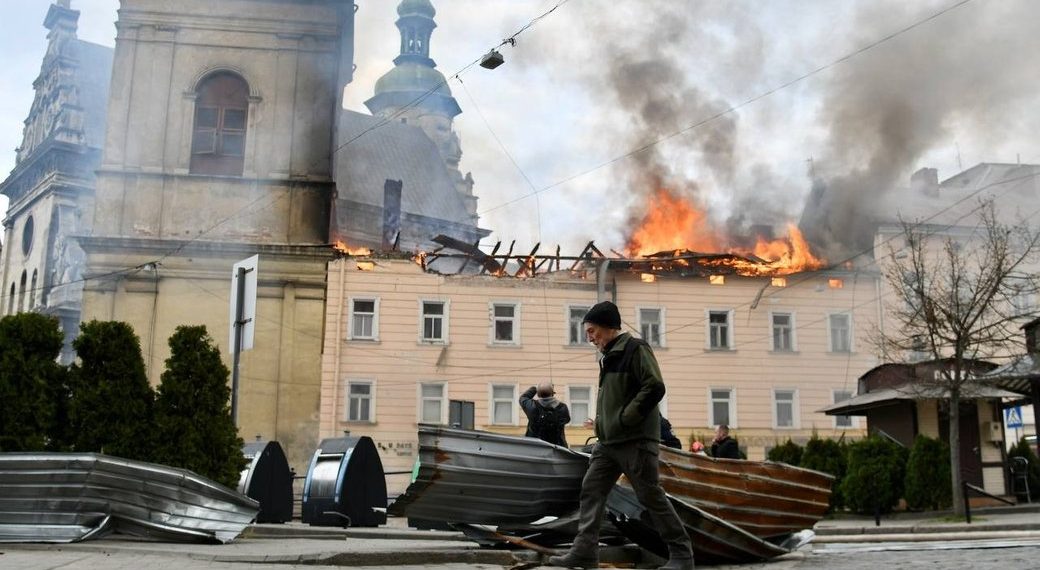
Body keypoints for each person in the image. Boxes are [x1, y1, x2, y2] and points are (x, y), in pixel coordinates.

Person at [548, 301, 694, 570]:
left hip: (635, 441)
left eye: (592, 331)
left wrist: (625, 419)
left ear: (608, 327)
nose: (589, 337)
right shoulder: (609, 356)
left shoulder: (635, 348)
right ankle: (585, 552)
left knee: (650, 496)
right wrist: (605, 425)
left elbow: (654, 386)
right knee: (591, 490)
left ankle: (682, 555)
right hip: (608, 444)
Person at [519, 382, 570, 447]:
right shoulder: (562, 408)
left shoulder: (532, 407)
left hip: (534, 447)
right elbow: (567, 420)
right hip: (556, 448)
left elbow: (523, 397)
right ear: (552, 393)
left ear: (538, 394)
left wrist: (535, 388)